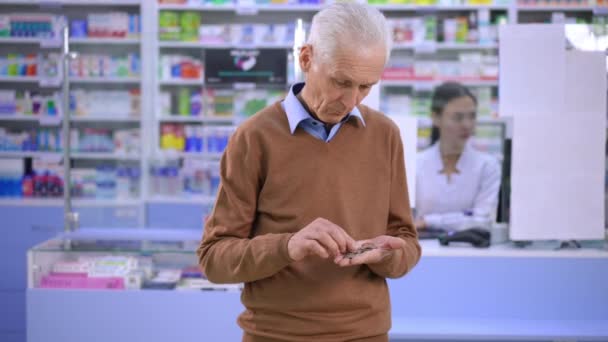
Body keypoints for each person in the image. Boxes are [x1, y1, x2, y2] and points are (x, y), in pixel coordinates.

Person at [197, 3, 421, 341]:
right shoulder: (254, 137)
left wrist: (390, 254)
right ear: (306, 59)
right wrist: (287, 246)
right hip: (276, 334)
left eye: (366, 87)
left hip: (366, 333)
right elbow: (214, 259)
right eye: (341, 82)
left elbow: (407, 242)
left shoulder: (385, 135)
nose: (352, 101)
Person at [415, 82, 501, 231]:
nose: (467, 125)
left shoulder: (487, 166)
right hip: (422, 249)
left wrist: (428, 221)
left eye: (472, 116)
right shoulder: (415, 164)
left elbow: (482, 220)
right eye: (458, 117)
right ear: (436, 118)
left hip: (469, 250)